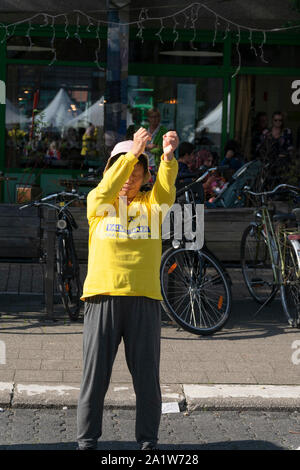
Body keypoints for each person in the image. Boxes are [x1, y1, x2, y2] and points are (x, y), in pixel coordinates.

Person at [77, 127, 179, 451]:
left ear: (145, 177)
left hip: (144, 299)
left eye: (137, 173)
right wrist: (132, 153)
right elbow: (107, 187)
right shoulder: (98, 202)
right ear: (111, 171)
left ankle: (148, 443)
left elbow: (165, 189)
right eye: (124, 171)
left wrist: (166, 158)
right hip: (102, 296)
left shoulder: (152, 206)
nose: (129, 179)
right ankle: (87, 442)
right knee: (94, 380)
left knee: (147, 380)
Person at [257, 111, 294, 188]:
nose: (278, 122)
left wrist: (286, 155)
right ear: (272, 120)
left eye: (280, 120)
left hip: (283, 163)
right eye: (275, 120)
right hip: (269, 163)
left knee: (281, 185)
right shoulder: (266, 133)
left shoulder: (287, 132)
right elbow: (260, 148)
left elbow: (290, 148)